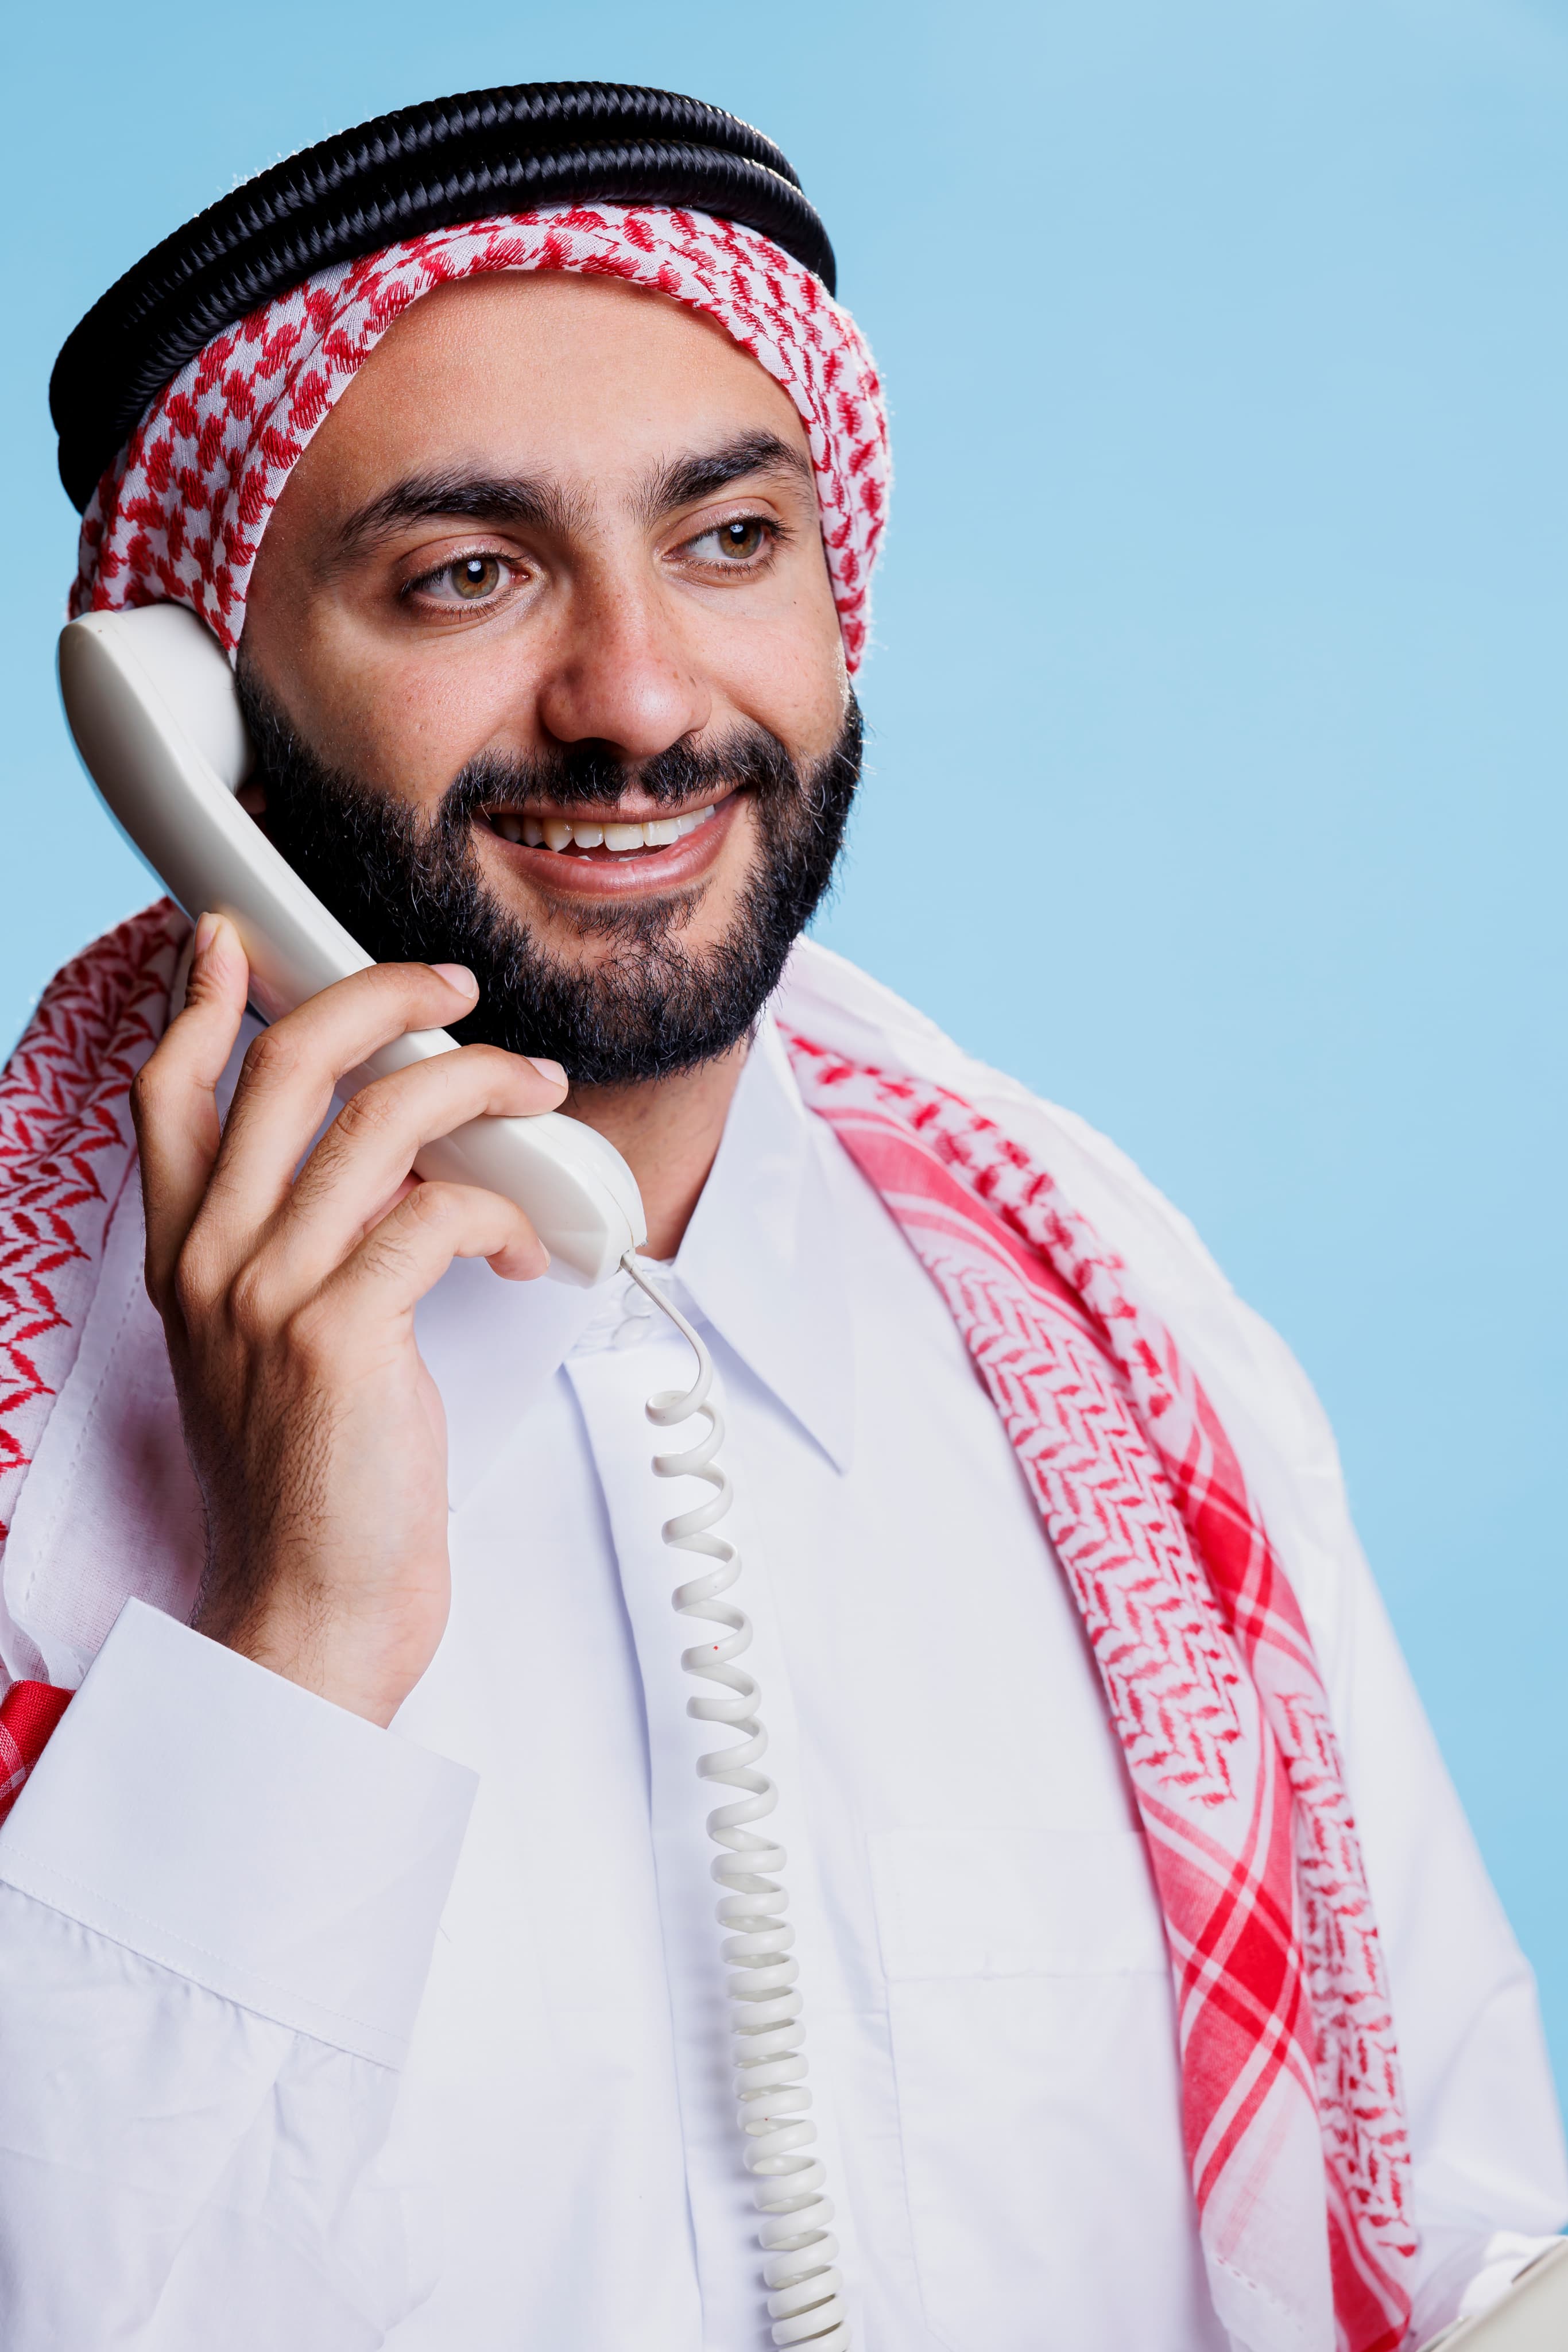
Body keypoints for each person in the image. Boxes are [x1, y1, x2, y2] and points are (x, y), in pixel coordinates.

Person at [0, 80, 1560, 2352]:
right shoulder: (33, 1445)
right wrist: (283, 1660)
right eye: (465, 572)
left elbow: (1460, 2220)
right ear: (190, 731)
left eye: (728, 540)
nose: (638, 699)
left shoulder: (1121, 1357)